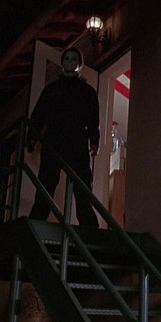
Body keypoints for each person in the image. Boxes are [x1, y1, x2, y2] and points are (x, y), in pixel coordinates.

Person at [26, 47, 100, 227]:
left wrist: (94, 140)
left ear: (80, 64)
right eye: (67, 58)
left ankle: (88, 226)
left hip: (76, 141)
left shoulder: (87, 91)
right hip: (54, 140)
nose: (70, 62)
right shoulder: (51, 90)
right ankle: (37, 220)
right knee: (47, 181)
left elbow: (93, 118)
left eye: (73, 59)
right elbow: (38, 115)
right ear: (62, 63)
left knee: (82, 184)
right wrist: (32, 137)